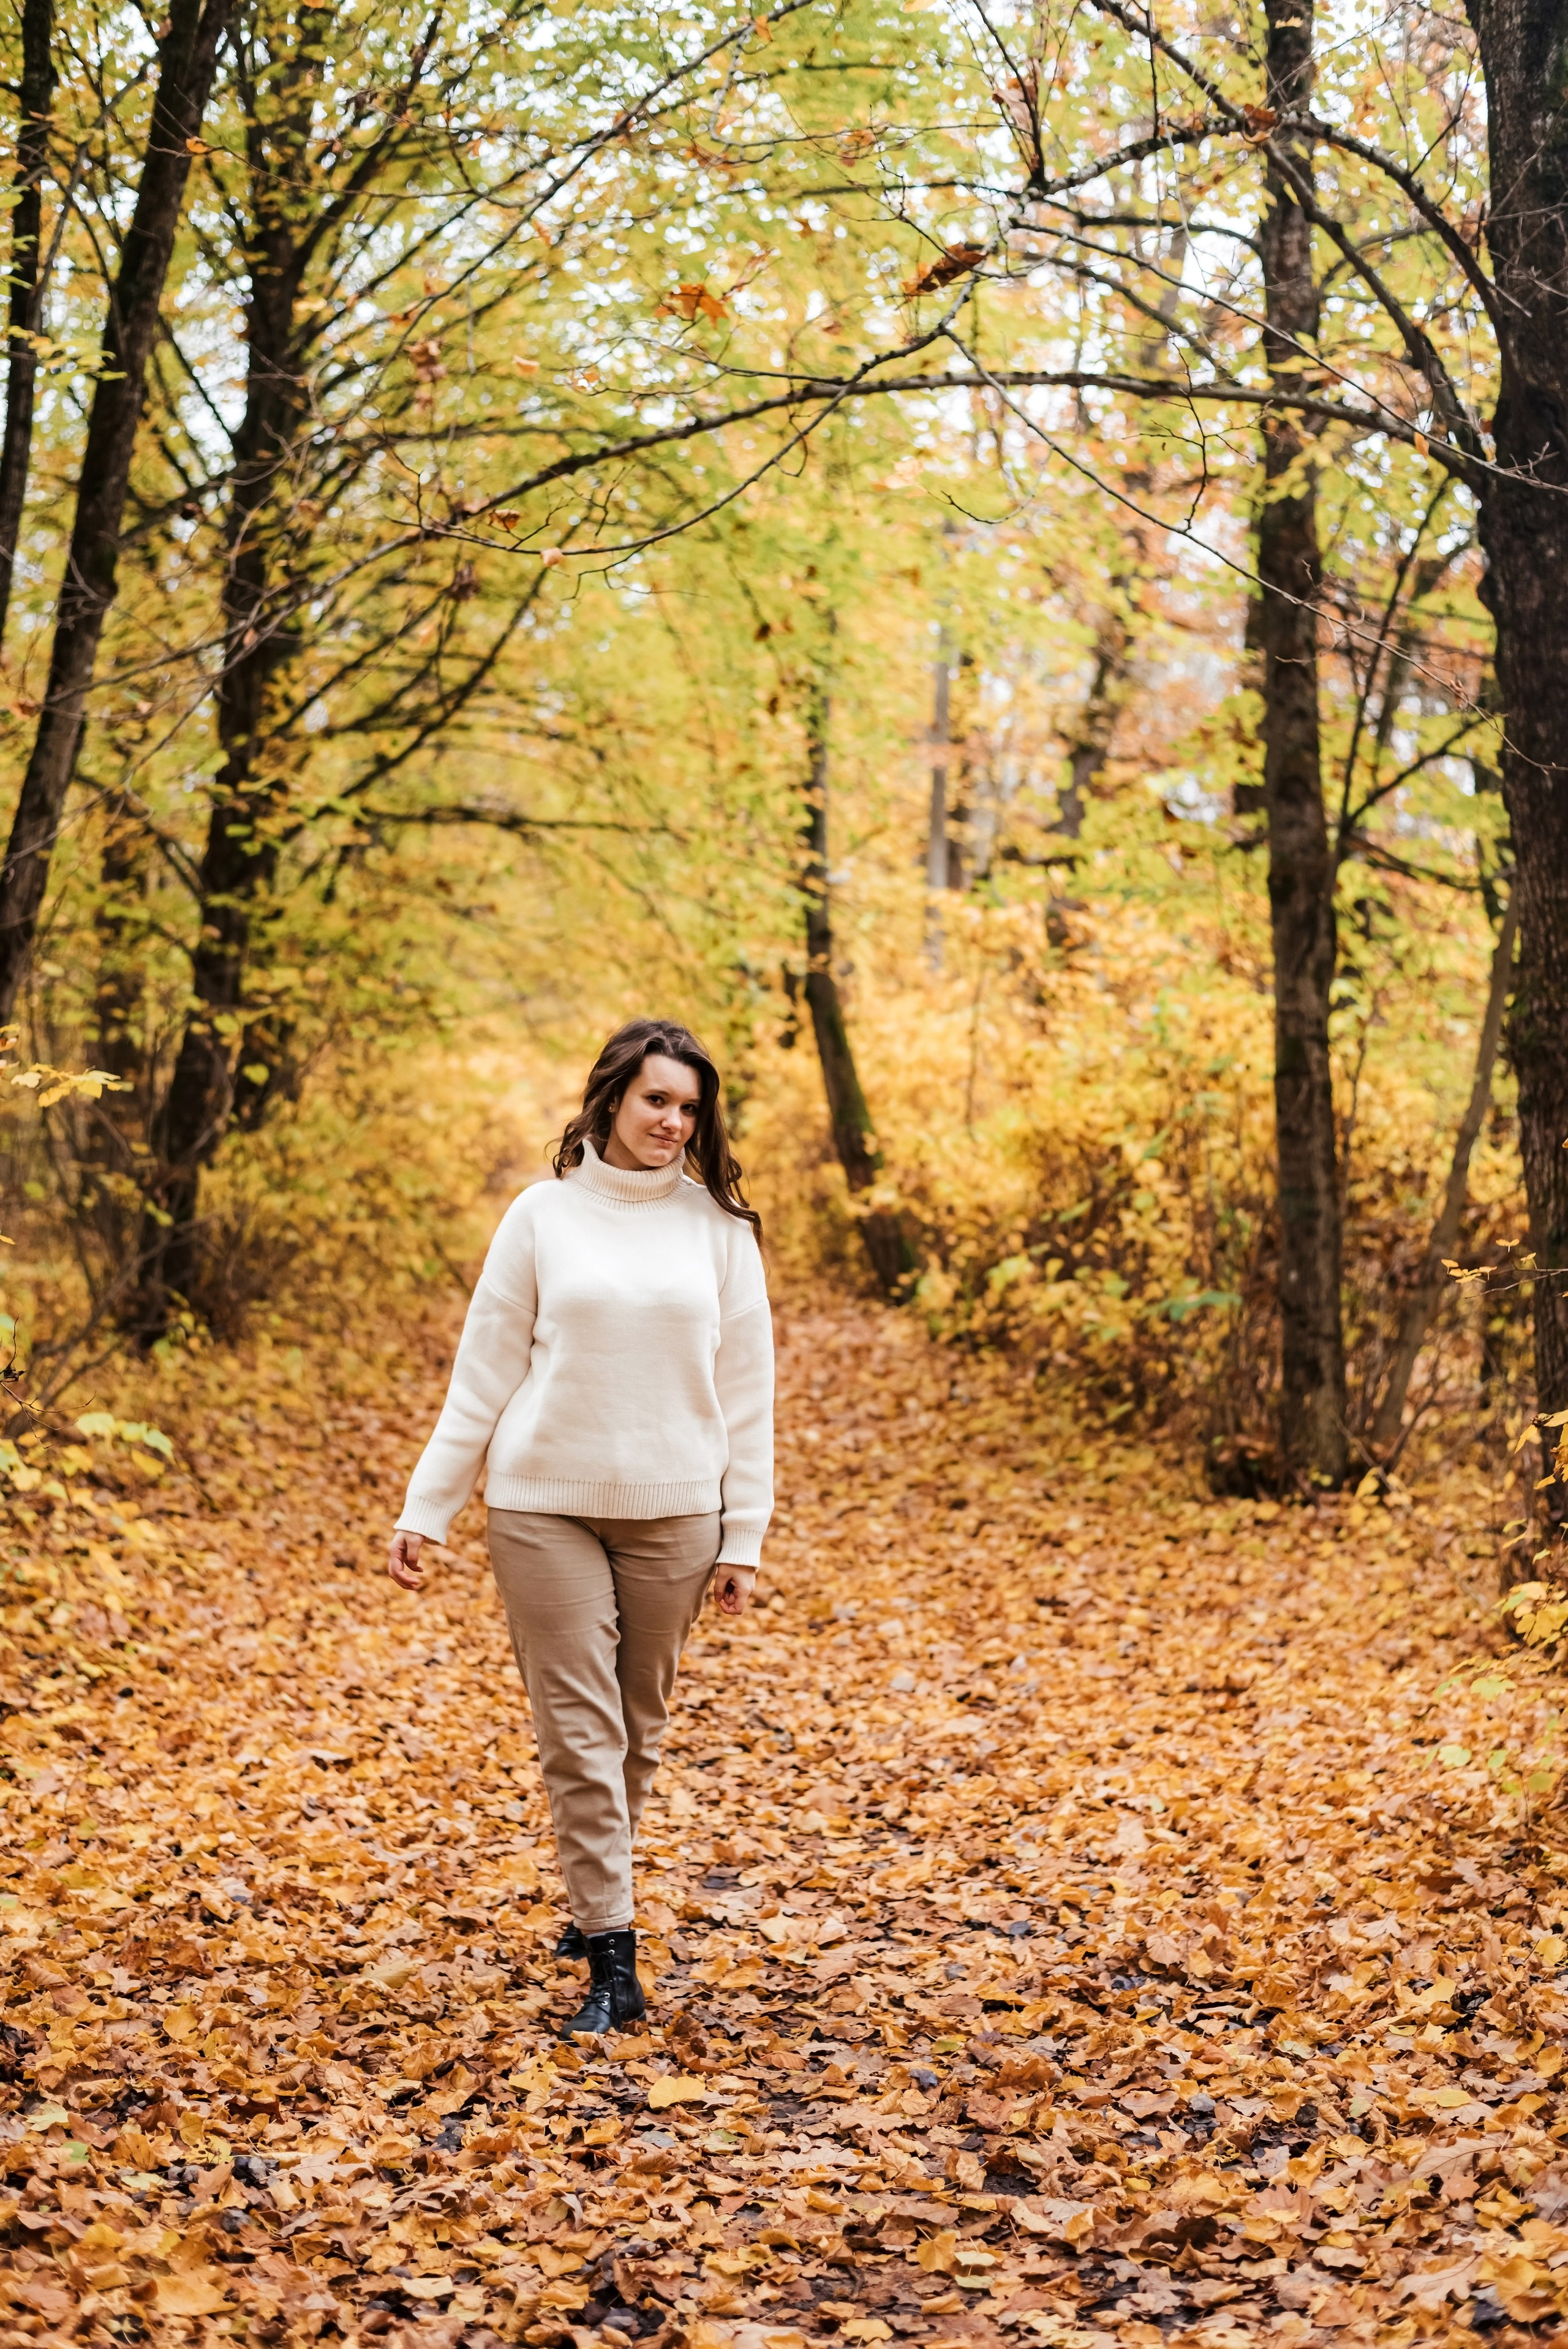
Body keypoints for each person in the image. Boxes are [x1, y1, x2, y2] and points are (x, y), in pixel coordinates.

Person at [386, 1019, 773, 2037]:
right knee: (580, 1733)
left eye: (690, 1108)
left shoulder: (720, 1229)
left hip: (677, 1512)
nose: (673, 1123)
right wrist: (430, 1505)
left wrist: (745, 1535)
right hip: (540, 1501)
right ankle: (614, 1951)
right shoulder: (541, 1217)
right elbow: (485, 1373)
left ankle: (595, 1887)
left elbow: (749, 1393)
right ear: (610, 1100)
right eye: (656, 1101)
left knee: (636, 1729)